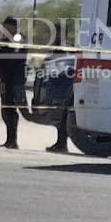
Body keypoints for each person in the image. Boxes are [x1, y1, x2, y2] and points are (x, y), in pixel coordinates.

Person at [0, 16, 27, 149]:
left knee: (10, 110)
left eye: (7, 26)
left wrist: (4, 80)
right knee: (6, 110)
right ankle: (9, 140)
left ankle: (12, 140)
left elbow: (11, 63)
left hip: (13, 80)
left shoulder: (17, 40)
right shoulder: (6, 40)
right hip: (6, 79)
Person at [45, 24, 69, 153]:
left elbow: (63, 64)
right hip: (57, 83)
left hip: (63, 84)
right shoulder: (56, 46)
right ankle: (60, 142)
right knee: (59, 115)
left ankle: (62, 144)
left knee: (62, 115)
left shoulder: (64, 46)